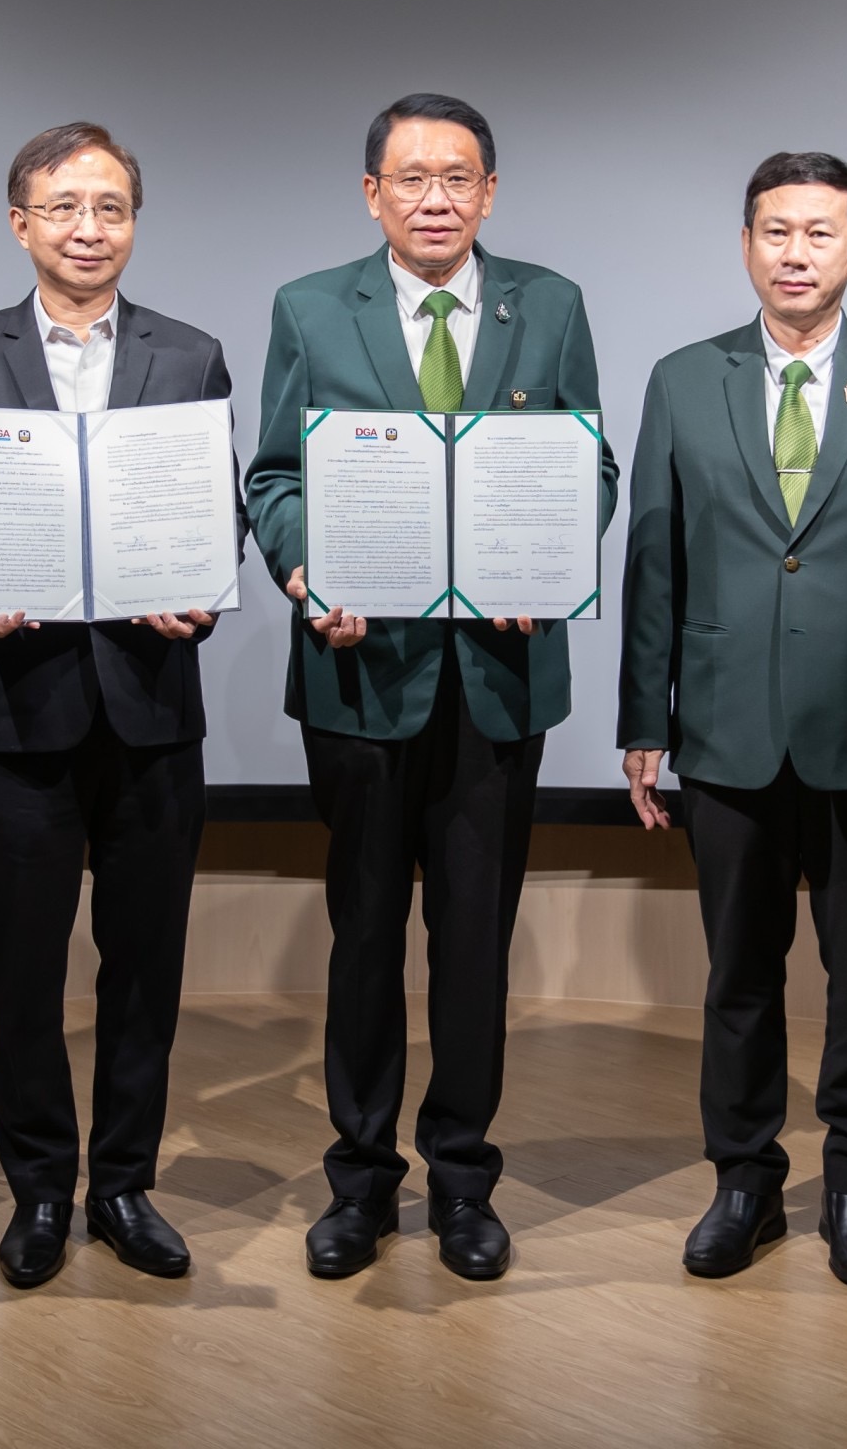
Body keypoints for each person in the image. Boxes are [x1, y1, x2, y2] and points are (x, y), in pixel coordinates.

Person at [245, 93, 619, 1282]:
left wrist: (551, 554)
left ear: (490, 192)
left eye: (458, 177)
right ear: (372, 194)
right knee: (363, 941)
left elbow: (588, 460)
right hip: (360, 677)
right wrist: (306, 570)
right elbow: (272, 475)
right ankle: (358, 1183)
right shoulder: (310, 307)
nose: (435, 199)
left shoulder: (548, 303)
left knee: (474, 947)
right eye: (411, 179)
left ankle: (465, 1183)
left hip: (499, 679)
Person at [617, 152, 847, 1291]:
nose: (796, 253)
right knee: (739, 972)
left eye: (820, 234)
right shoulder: (684, 378)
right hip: (724, 728)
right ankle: (745, 1180)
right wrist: (644, 718)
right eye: (776, 231)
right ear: (745, 244)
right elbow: (654, 563)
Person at [0, 123, 233, 1288]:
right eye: (64, 207)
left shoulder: (191, 355)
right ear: (20, 223)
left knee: (146, 965)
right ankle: (40, 1190)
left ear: (133, 222)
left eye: (110, 207)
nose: (88, 229)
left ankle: (126, 1186)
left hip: (152, 711)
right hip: (22, 710)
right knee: (27, 970)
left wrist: (203, 593)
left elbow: (216, 510)